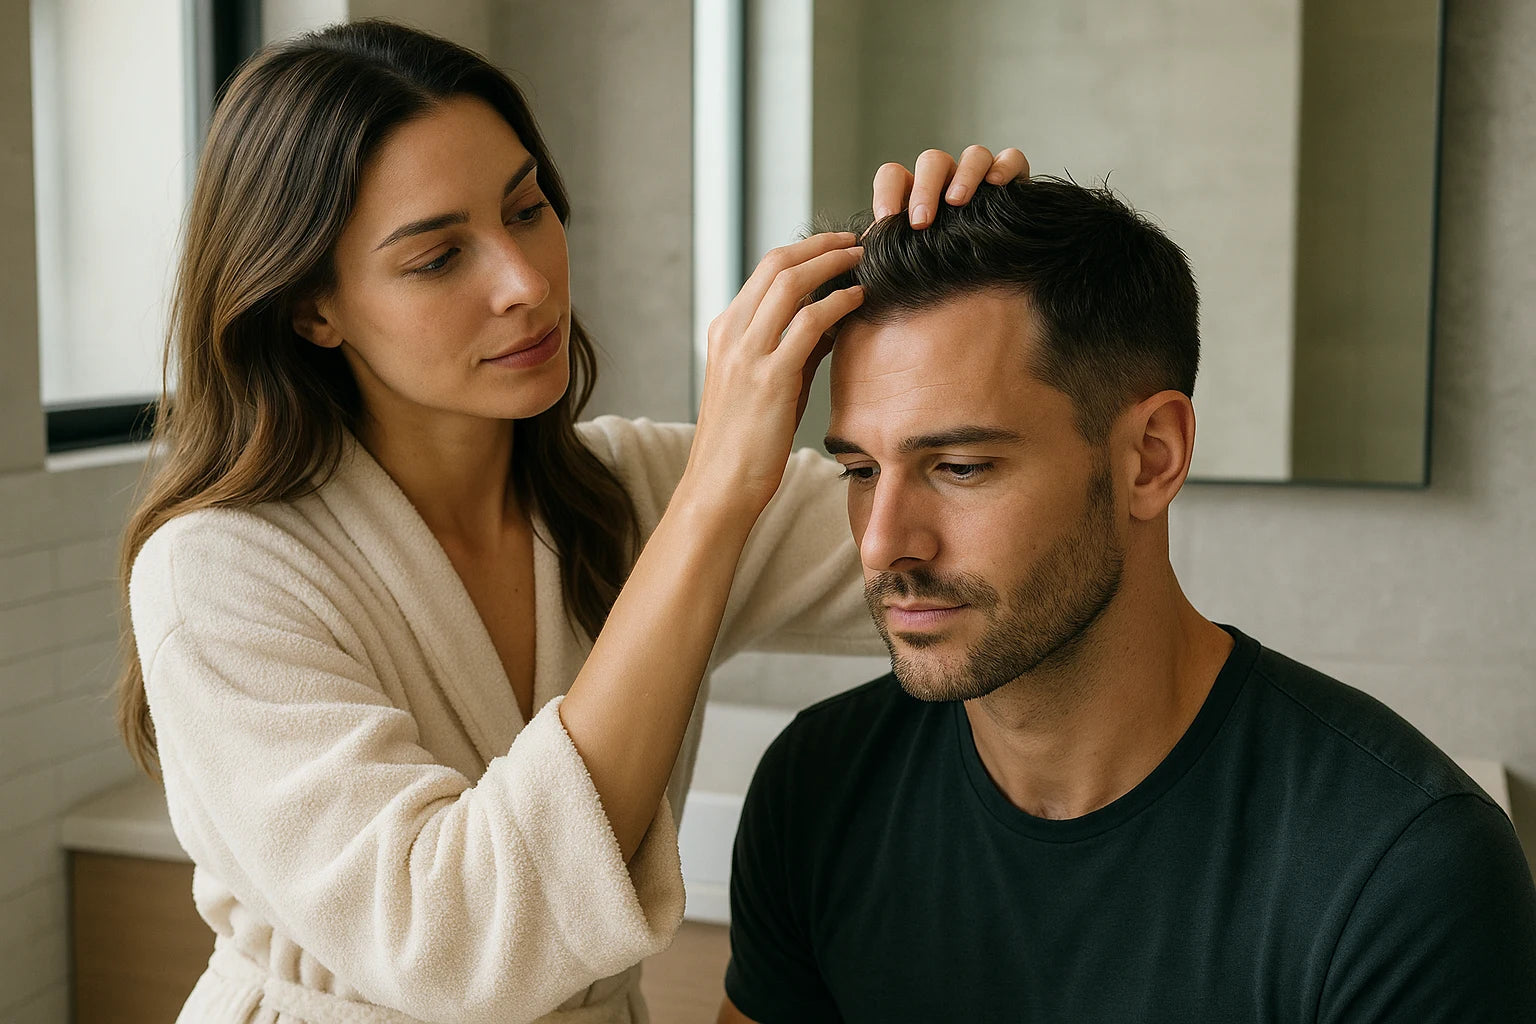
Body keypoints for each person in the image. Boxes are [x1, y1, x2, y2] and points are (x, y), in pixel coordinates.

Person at [118, 18, 1027, 1024]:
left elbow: (993, 550)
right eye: (437, 257)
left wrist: (999, 277)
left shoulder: (631, 489)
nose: (525, 282)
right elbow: (457, 945)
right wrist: (718, 492)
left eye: (527, 208)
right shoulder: (217, 573)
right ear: (312, 308)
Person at [719, 177, 1536, 1023]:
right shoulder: (816, 788)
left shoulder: (1403, 869)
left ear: (1151, 457)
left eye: (961, 467)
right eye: (858, 471)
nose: (884, 541)